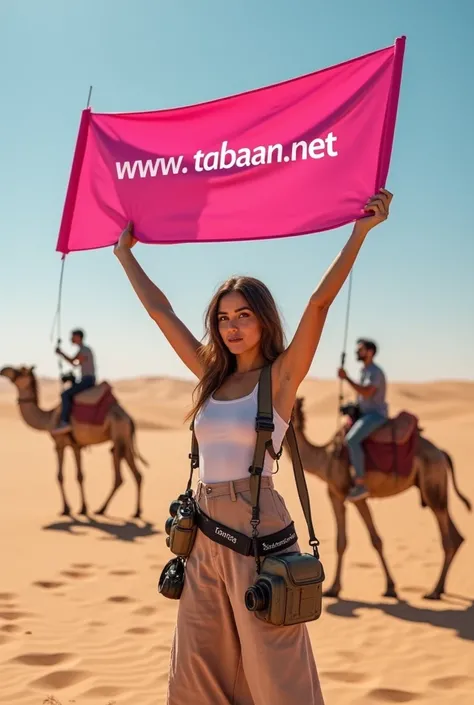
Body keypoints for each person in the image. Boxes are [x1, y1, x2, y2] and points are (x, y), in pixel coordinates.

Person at [114, 188, 393, 705]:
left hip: (259, 532)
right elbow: (161, 312)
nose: (231, 326)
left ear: (263, 318)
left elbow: (318, 303)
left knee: (273, 673)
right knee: (196, 667)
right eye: (223, 318)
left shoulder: (280, 378)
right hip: (202, 532)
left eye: (243, 315)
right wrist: (125, 255)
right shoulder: (211, 377)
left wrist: (360, 233)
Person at [338, 338, 389, 502]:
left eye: (360, 349)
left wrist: (346, 378)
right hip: (364, 413)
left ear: (370, 352)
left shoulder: (375, 372)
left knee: (352, 440)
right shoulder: (364, 371)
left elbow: (367, 392)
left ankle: (361, 484)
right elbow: (363, 397)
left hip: (375, 415)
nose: (357, 352)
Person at [52, 329, 97, 435]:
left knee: (65, 394)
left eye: (73, 336)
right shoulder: (82, 349)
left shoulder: (85, 350)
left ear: (78, 337)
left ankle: (65, 422)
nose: (71, 338)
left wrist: (61, 353)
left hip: (88, 380)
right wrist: (61, 354)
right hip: (84, 379)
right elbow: (74, 363)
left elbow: (75, 361)